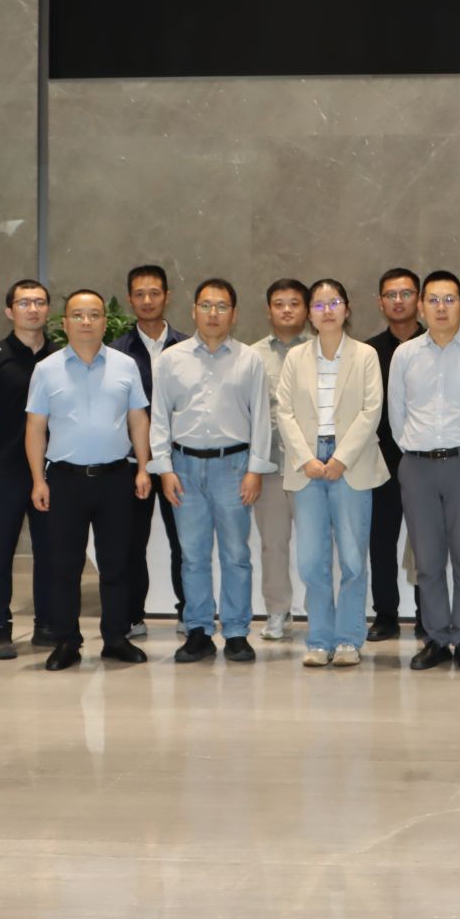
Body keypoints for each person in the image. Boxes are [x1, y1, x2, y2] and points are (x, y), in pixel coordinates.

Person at [148, 278, 276, 665]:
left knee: (236, 554)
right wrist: (164, 468)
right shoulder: (171, 359)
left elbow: (261, 419)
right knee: (192, 555)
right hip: (184, 467)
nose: (213, 313)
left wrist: (255, 470)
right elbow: (159, 417)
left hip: (233, 467)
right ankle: (199, 631)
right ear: (193, 311)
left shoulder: (249, 359)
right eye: (206, 305)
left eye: (222, 306)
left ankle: (236, 632)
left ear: (234, 314)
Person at [24, 289, 154, 670]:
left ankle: (115, 638)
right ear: (64, 323)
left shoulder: (125, 366)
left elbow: (138, 419)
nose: (86, 321)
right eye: (78, 315)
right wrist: (38, 480)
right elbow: (35, 428)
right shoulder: (46, 369)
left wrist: (143, 467)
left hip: (116, 478)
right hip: (65, 480)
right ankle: (67, 641)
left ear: (104, 322)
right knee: (64, 567)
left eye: (94, 315)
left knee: (117, 563)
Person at [389, 270, 460, 673]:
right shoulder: (405, 356)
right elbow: (397, 416)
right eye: (434, 300)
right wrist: (417, 452)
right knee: (427, 559)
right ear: (422, 307)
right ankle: (437, 638)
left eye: (449, 299)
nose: (441, 308)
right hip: (417, 467)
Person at [274, 279, 387, 670]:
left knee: (353, 559)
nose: (327, 310)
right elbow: (284, 412)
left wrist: (341, 457)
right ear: (309, 313)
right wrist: (306, 458)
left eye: (334, 302)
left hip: (350, 463)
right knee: (311, 561)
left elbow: (371, 410)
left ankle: (348, 639)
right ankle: (319, 640)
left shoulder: (365, 355)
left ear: (347, 308)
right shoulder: (296, 358)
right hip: (307, 465)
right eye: (319, 304)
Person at [0, 280, 64, 658]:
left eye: (39, 302)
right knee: (0, 549)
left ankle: (47, 624)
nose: (32, 309)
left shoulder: (59, 357)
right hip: (7, 472)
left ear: (48, 309)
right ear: (10, 311)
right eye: (24, 303)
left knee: (50, 550)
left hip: (52, 471)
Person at [111, 264, 188, 633]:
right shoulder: (117, 353)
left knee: (184, 543)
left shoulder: (187, 348)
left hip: (178, 462)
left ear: (167, 297)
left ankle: (189, 614)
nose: (147, 300)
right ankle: (132, 616)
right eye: (139, 294)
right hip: (133, 463)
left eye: (154, 293)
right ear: (130, 299)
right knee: (130, 543)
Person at [249, 278, 310, 642]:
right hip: (270, 466)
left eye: (294, 303)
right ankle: (277, 611)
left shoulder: (321, 350)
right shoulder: (252, 356)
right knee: (272, 543)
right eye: (279, 303)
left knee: (316, 544)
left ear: (306, 309)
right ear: (268, 310)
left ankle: (320, 610)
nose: (286, 310)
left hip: (311, 467)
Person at [365, 267, 423, 642]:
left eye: (406, 294)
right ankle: (385, 615)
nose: (398, 301)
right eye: (391, 295)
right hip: (380, 462)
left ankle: (427, 614)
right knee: (381, 543)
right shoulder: (368, 352)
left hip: (424, 464)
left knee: (426, 545)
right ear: (380, 302)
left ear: (419, 299)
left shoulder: (434, 346)